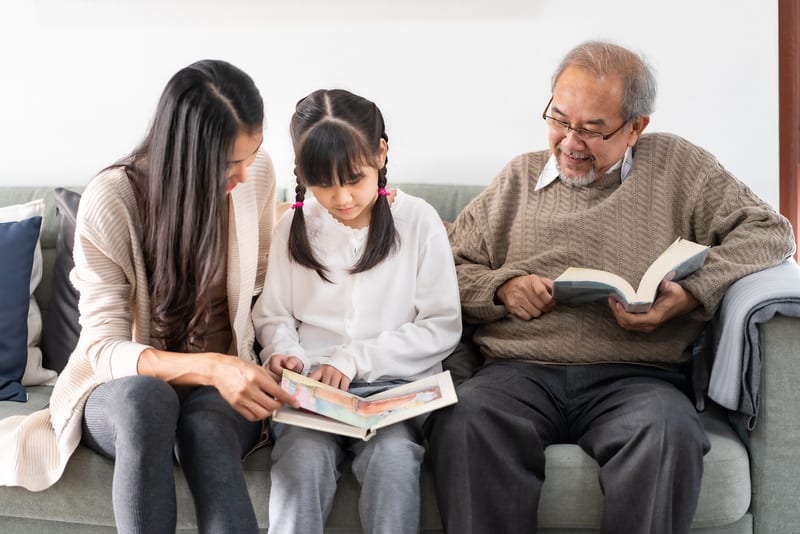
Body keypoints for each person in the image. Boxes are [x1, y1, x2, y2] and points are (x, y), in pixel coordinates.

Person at [425, 40, 796, 534]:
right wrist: (502, 287)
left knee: (668, 431)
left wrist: (693, 292)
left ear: (636, 127)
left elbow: (770, 231)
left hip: (637, 377)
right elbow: (446, 265)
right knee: (464, 419)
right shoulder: (517, 178)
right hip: (517, 373)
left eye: (592, 130)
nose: (569, 142)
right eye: (559, 120)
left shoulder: (679, 168)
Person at [0, 59, 297, 534]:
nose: (244, 174)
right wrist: (210, 366)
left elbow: (260, 290)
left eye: (252, 153)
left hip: (217, 391)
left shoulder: (255, 175)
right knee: (147, 401)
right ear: (185, 156)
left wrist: (280, 352)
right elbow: (102, 349)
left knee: (207, 426)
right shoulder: (114, 198)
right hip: (120, 390)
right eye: (228, 163)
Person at [251, 88, 462, 534]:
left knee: (393, 460)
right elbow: (273, 315)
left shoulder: (418, 221)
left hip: (394, 393)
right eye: (324, 183)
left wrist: (353, 358)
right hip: (312, 395)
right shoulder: (295, 224)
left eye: (354, 179)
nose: (342, 197)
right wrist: (284, 353)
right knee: (300, 461)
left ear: (381, 154)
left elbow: (441, 327)